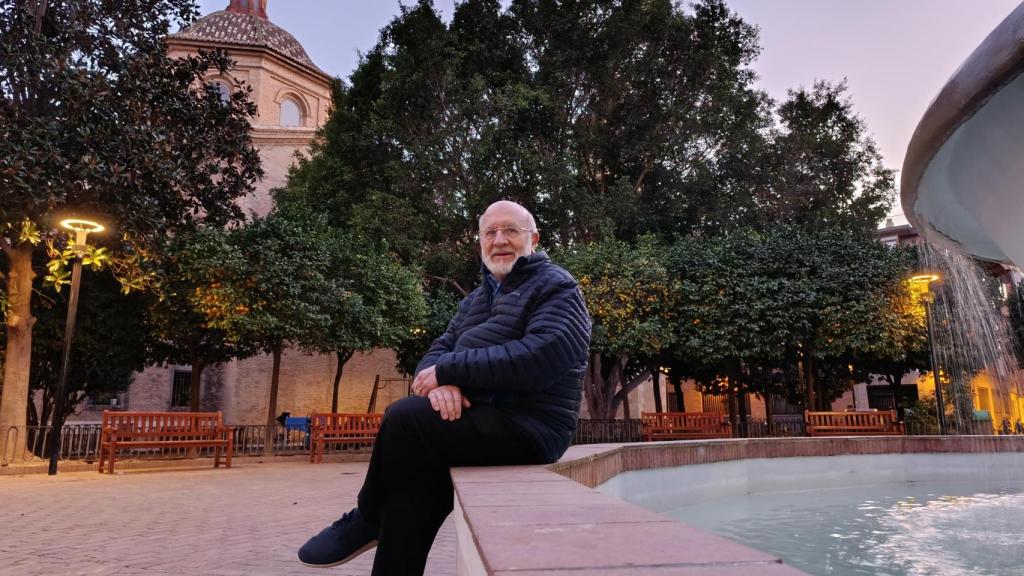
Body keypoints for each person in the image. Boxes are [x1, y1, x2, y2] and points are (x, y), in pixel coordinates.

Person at [298, 200, 592, 575]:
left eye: (511, 231)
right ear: (481, 243)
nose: (499, 240)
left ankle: (368, 516)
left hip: (532, 427)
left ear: (533, 238)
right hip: (479, 420)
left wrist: (450, 372)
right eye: (490, 233)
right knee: (414, 488)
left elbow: (542, 356)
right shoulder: (476, 299)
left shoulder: (557, 286)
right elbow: (436, 352)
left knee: (404, 418)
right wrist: (437, 384)